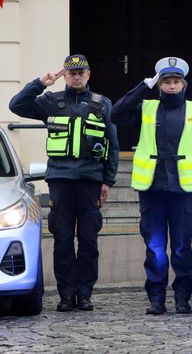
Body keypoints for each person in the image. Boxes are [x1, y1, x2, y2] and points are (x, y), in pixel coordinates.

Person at [8, 54, 119, 312]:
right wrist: (41, 83)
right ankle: (66, 295)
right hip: (61, 181)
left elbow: (113, 146)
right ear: (65, 75)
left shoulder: (103, 104)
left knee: (89, 240)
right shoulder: (50, 101)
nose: (76, 76)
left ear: (88, 74)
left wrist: (108, 181)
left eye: (81, 72)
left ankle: (85, 293)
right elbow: (17, 105)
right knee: (63, 240)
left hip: (91, 181)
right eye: (71, 73)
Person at [111, 57, 192, 315]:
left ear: (184, 85)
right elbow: (116, 113)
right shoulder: (146, 107)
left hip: (183, 192)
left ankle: (182, 297)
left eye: (176, 82)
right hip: (153, 189)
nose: (171, 86)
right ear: (159, 85)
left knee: (181, 247)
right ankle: (156, 297)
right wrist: (143, 87)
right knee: (155, 248)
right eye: (166, 82)